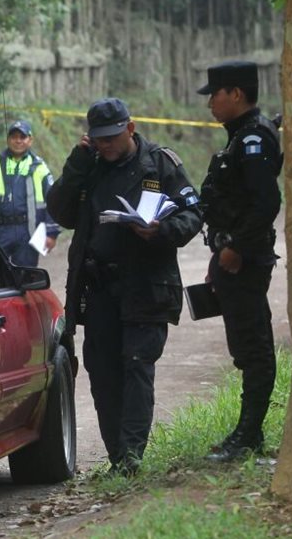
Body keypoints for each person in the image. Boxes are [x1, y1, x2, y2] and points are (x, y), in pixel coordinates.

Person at [46, 97, 203, 475]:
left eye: (112, 138)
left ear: (130, 129)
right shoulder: (91, 166)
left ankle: (131, 459)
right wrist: (77, 165)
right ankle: (118, 456)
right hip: (99, 287)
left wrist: (161, 230)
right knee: (101, 371)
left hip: (145, 284)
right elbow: (60, 212)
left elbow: (194, 212)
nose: (106, 145)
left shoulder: (160, 163)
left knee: (136, 366)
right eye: (98, 139)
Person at [196, 61, 284, 463]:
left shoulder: (253, 139)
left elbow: (267, 202)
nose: (210, 102)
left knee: (254, 347)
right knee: (245, 347)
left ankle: (249, 436)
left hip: (245, 259)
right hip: (231, 256)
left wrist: (238, 250)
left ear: (235, 94)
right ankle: (247, 434)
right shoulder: (240, 137)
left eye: (215, 94)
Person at [0, 119, 59, 267]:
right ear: (8, 140)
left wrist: (52, 233)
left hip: (28, 232)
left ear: (30, 140)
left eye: (22, 137)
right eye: (13, 137)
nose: (18, 141)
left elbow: (53, 200)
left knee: (25, 280)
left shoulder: (39, 167)